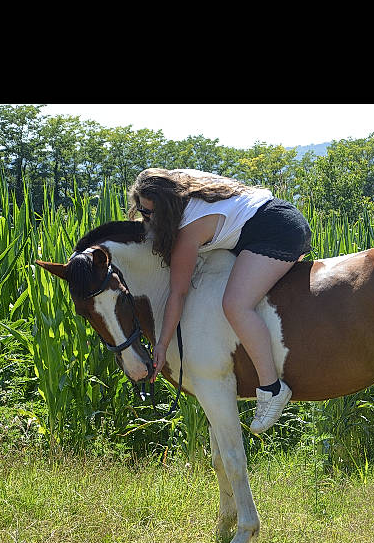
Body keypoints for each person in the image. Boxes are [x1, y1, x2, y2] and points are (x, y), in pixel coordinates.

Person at [127, 169, 312, 433]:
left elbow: (178, 293)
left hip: (278, 232)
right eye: (141, 210)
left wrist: (162, 344)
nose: (145, 218)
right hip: (277, 216)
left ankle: (272, 389)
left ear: (166, 209)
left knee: (235, 305)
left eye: (149, 213)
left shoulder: (189, 230)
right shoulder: (181, 183)